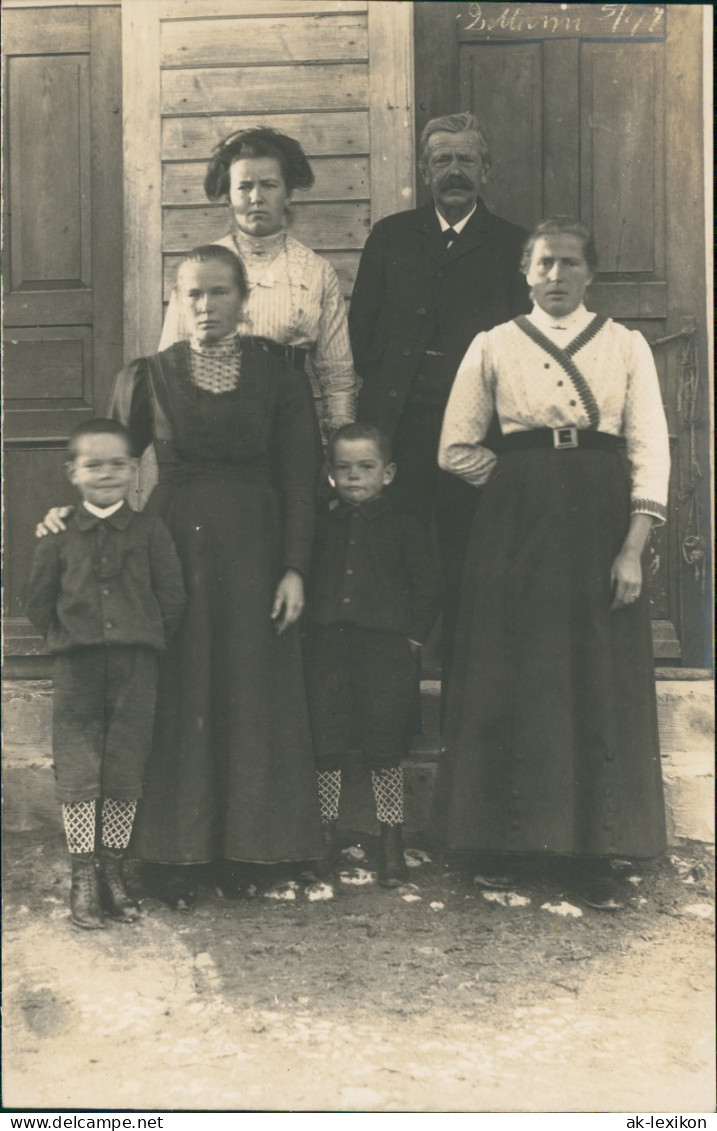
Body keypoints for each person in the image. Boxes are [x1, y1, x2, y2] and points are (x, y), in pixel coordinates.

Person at [38, 245, 325, 906]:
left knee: (254, 687)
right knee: (183, 689)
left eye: (218, 292)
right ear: (176, 300)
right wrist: (70, 515)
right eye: (191, 294)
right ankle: (177, 854)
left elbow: (301, 480)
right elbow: (110, 458)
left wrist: (294, 568)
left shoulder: (280, 376)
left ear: (243, 299)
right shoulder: (150, 374)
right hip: (175, 550)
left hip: (257, 547)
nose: (204, 306)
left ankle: (258, 849)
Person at [437, 217, 670, 910]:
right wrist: (517, 487)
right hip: (518, 527)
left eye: (570, 263)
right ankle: (505, 840)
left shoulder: (626, 346)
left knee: (589, 676)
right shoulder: (493, 345)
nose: (557, 276)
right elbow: (454, 447)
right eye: (544, 263)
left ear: (590, 272)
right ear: (524, 270)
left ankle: (590, 848)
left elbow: (648, 450)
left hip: (599, 524)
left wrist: (630, 545)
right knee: (515, 674)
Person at [349, 112, 530, 687]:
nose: (455, 171)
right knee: (397, 555)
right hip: (400, 429)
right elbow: (362, 331)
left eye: (467, 160)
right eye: (443, 161)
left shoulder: (511, 245)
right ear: (424, 170)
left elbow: (523, 344)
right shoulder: (392, 236)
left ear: (486, 170)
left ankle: (464, 699)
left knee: (467, 559)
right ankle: (391, 695)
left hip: (474, 436)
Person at [26, 419, 187, 929]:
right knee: (78, 772)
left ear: (135, 470)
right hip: (77, 668)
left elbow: (173, 599)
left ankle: (114, 873)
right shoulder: (57, 533)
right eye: (94, 464)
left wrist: (141, 635)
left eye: (119, 463)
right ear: (73, 471)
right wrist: (73, 636)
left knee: (124, 771)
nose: (107, 473)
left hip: (136, 669)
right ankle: (83, 877)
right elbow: (37, 602)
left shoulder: (149, 530)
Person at [304, 424, 442, 887]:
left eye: (365, 467)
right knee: (327, 744)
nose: (353, 477)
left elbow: (427, 587)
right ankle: (324, 836)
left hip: (384, 651)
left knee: (384, 747)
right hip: (328, 647)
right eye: (343, 468)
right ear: (330, 474)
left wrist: (413, 640)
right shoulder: (321, 525)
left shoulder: (405, 526)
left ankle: (391, 841)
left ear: (389, 473)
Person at [159, 126, 357, 439]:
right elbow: (171, 362)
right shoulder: (201, 268)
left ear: (288, 194)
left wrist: (341, 434)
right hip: (217, 422)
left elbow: (336, 372)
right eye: (244, 187)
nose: (256, 198)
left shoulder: (315, 271)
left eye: (268, 185)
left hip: (290, 422)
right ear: (229, 197)